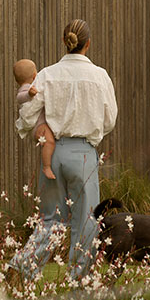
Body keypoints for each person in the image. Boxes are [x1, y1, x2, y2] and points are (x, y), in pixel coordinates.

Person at [10, 19, 117, 281]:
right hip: (83, 153)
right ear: (87, 44)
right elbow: (109, 120)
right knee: (86, 222)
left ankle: (22, 269)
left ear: (64, 42)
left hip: (54, 153)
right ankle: (78, 281)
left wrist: (35, 128)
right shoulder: (100, 76)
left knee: (51, 219)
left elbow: (28, 113)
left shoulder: (47, 74)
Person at [12, 58, 56, 181]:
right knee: (49, 142)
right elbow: (20, 97)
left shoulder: (31, 86)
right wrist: (29, 94)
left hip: (41, 124)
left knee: (50, 142)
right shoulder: (27, 88)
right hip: (38, 125)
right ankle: (46, 166)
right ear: (35, 75)